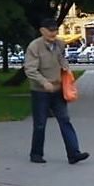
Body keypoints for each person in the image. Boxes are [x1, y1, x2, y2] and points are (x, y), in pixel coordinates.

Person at [23, 18, 89, 165]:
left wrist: (66, 70)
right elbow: (30, 69)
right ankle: (36, 154)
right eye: (50, 30)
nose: (54, 33)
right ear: (42, 31)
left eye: (55, 30)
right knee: (40, 124)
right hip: (40, 91)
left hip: (58, 90)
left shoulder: (60, 44)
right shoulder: (35, 47)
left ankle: (74, 154)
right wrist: (44, 82)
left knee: (65, 120)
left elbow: (61, 59)